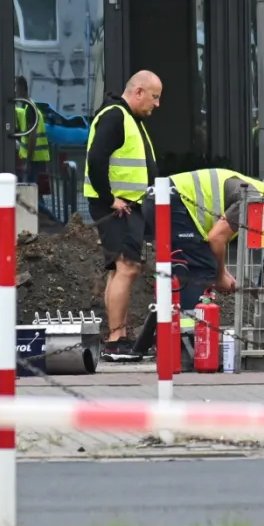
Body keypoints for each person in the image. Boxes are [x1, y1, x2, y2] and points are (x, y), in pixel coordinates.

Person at [83, 70, 162, 358]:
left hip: (126, 205)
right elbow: (96, 157)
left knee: (121, 268)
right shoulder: (116, 116)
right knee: (127, 267)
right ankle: (116, 339)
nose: (157, 104)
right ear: (138, 92)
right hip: (118, 207)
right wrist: (109, 198)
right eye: (154, 97)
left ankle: (117, 335)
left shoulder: (128, 118)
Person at [146, 168, 264, 313]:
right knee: (200, 268)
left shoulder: (252, 188)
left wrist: (222, 272)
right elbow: (216, 238)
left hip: (164, 198)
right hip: (170, 201)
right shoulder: (252, 199)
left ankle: (172, 324)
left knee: (182, 266)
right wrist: (220, 275)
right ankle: (188, 330)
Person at [14, 76, 51, 186]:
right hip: (36, 158)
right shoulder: (28, 107)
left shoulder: (30, 108)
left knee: (32, 191)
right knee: (35, 192)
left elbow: (32, 136)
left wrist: (28, 161)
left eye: (16, 88)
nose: (15, 92)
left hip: (35, 159)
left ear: (23, 89)